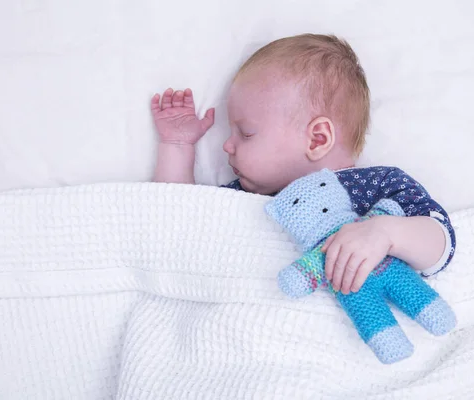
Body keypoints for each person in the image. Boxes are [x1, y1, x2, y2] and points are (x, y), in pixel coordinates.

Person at [151, 33, 455, 296]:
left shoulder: (377, 185)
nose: (227, 146)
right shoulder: (242, 197)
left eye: (246, 133)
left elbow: (441, 244)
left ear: (317, 139)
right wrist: (177, 147)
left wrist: (386, 234)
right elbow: (179, 222)